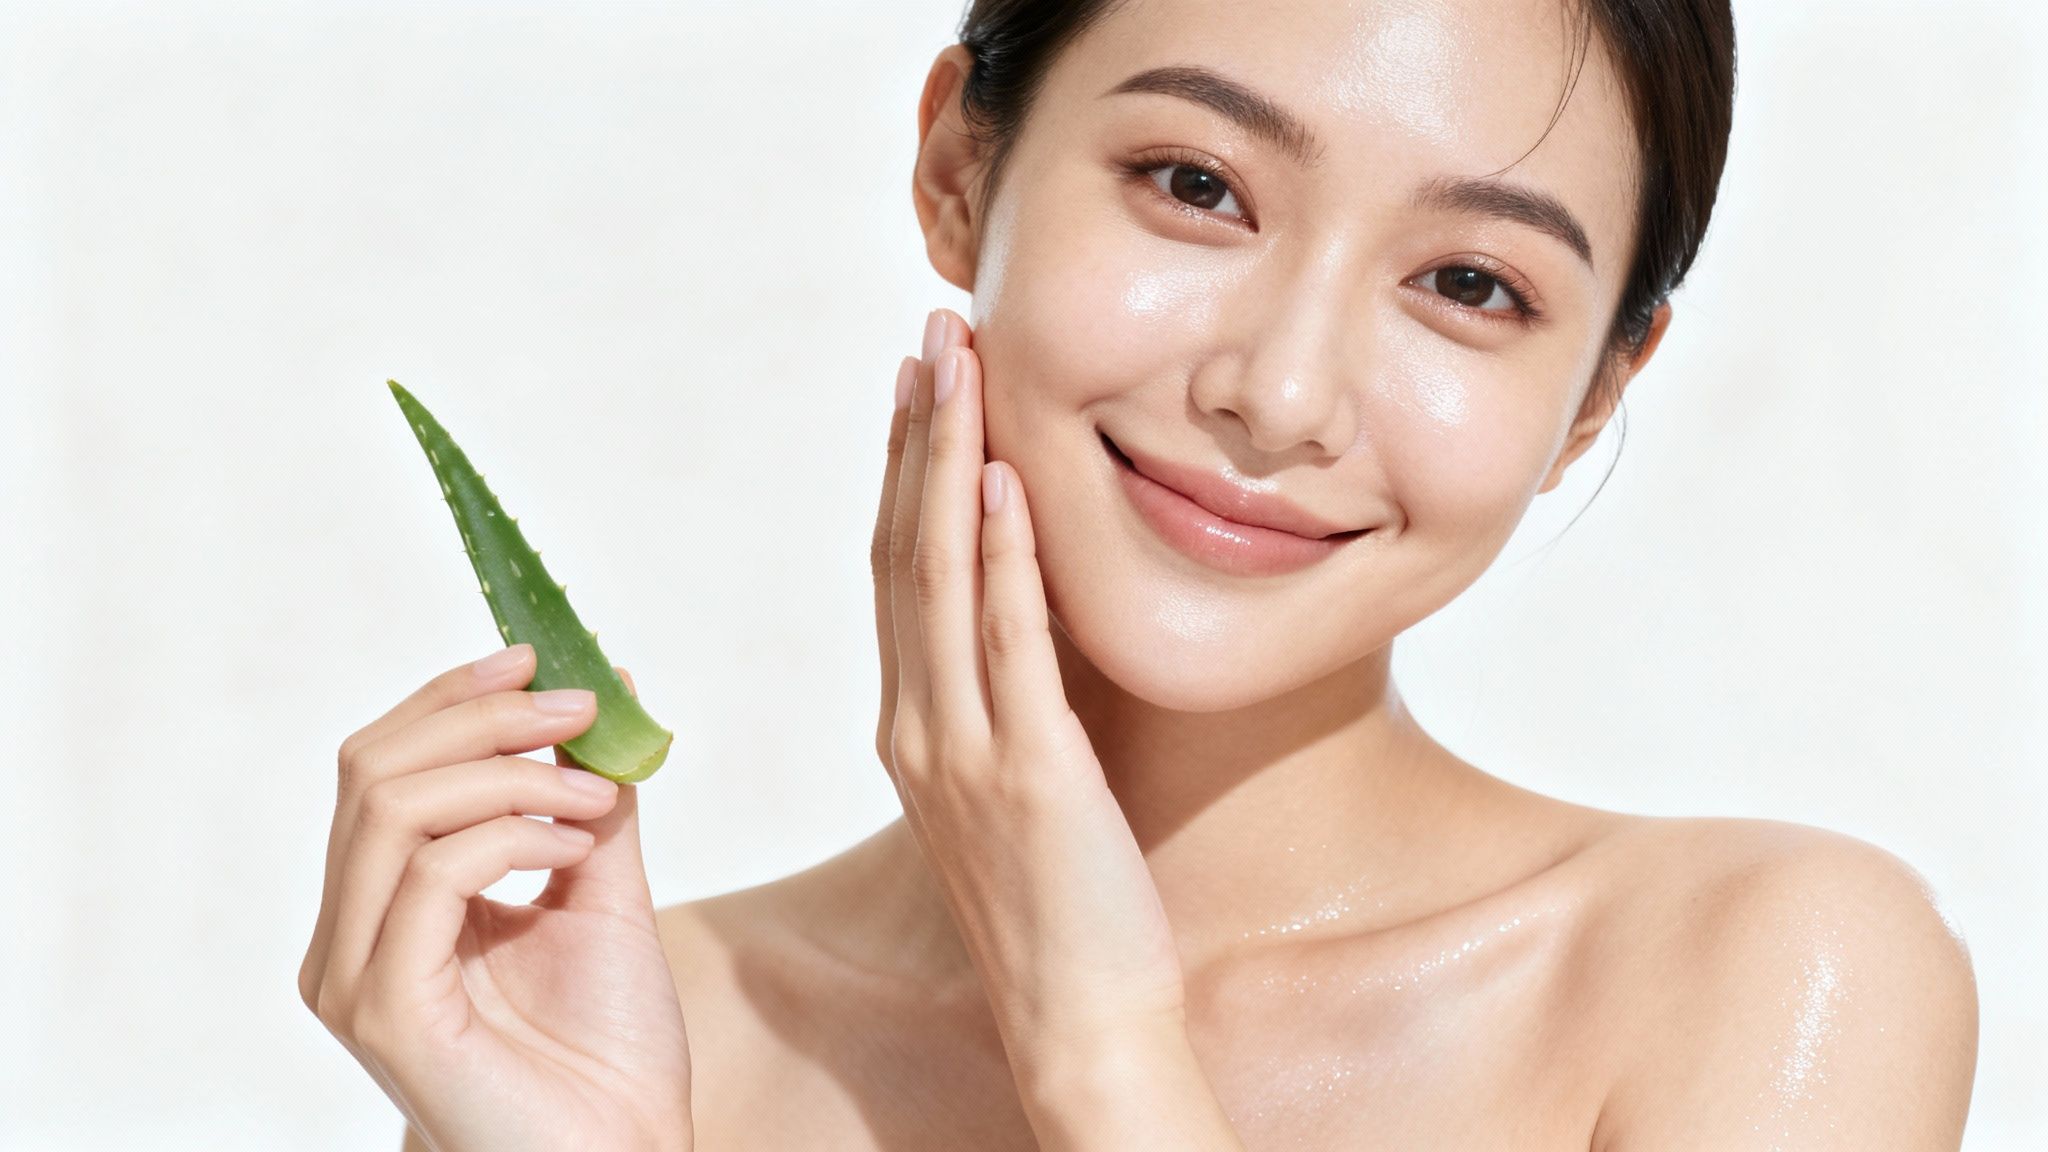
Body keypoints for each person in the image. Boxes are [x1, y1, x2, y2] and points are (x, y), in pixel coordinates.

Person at [301, 1, 1981, 1148]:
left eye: (1471, 283)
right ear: (963, 168)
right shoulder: (643, 1034)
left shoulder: (1759, 979)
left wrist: (1104, 1049)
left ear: (1597, 390)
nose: (1282, 391)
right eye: (1198, 186)